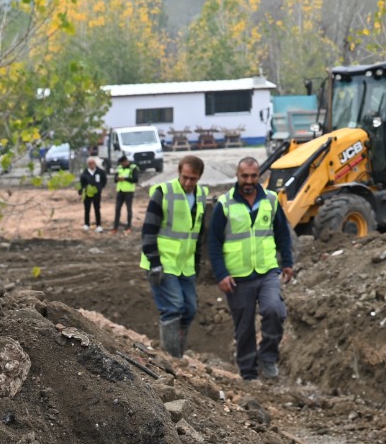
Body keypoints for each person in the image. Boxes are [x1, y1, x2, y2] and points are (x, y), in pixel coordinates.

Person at [206, 154, 296, 382]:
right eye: (244, 176)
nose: (248, 180)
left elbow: (282, 233)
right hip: (238, 277)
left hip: (267, 271)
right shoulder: (224, 204)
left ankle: (268, 357)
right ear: (237, 176)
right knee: (244, 327)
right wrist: (222, 274)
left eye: (253, 176)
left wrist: (287, 262)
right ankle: (248, 373)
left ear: (259, 176)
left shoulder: (271, 200)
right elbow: (213, 243)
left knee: (275, 310)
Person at [137, 155, 209, 356]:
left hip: (185, 264)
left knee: (190, 309)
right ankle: (172, 357)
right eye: (184, 177)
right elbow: (149, 229)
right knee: (173, 306)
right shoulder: (163, 192)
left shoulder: (201, 195)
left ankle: (177, 350)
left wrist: (197, 263)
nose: (187, 182)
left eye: (192, 179)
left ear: (199, 177)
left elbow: (197, 233)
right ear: (179, 172)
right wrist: (154, 262)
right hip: (163, 261)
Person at [77, 154, 108, 232]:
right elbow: (81, 183)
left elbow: (104, 180)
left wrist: (100, 187)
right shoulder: (84, 173)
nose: (91, 165)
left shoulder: (100, 172)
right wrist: (81, 191)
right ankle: (86, 224)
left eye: (93, 163)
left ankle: (98, 225)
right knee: (87, 209)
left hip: (96, 194)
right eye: (90, 163)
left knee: (97, 209)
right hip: (87, 194)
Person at [112, 153, 139, 232]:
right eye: (121, 164)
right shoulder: (119, 168)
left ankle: (128, 226)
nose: (122, 165)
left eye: (123, 163)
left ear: (126, 161)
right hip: (120, 191)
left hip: (129, 192)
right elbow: (115, 179)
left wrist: (125, 179)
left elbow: (135, 179)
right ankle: (115, 227)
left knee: (128, 209)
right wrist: (118, 178)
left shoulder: (133, 168)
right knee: (117, 209)